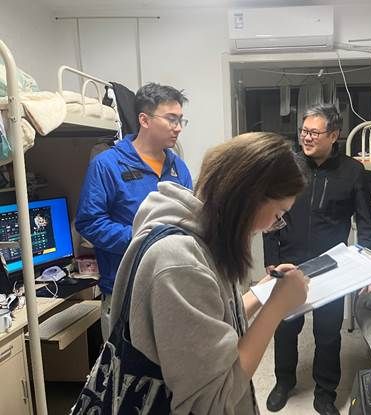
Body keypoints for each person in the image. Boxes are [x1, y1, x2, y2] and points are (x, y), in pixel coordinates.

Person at [106, 132, 310, 414]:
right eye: (278, 215)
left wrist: (262, 294)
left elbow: (211, 323)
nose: (272, 227)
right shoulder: (180, 264)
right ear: (250, 198)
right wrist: (276, 308)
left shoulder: (203, 236)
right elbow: (214, 399)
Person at [263, 104, 371, 415]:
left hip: (332, 267)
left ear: (334, 135)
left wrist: (369, 267)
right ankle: (283, 382)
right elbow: (271, 215)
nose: (306, 137)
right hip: (290, 263)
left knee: (327, 332)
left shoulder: (352, 171)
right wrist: (271, 258)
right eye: (304, 131)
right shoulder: (287, 166)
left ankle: (325, 391)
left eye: (314, 132)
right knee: (285, 328)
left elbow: (366, 222)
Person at [75, 83, 193, 339]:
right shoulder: (107, 165)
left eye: (181, 120)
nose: (178, 127)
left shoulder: (178, 167)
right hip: (124, 287)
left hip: (170, 283)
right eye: (171, 119)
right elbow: (89, 222)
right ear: (144, 120)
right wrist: (141, 239)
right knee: (123, 361)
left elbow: (188, 216)